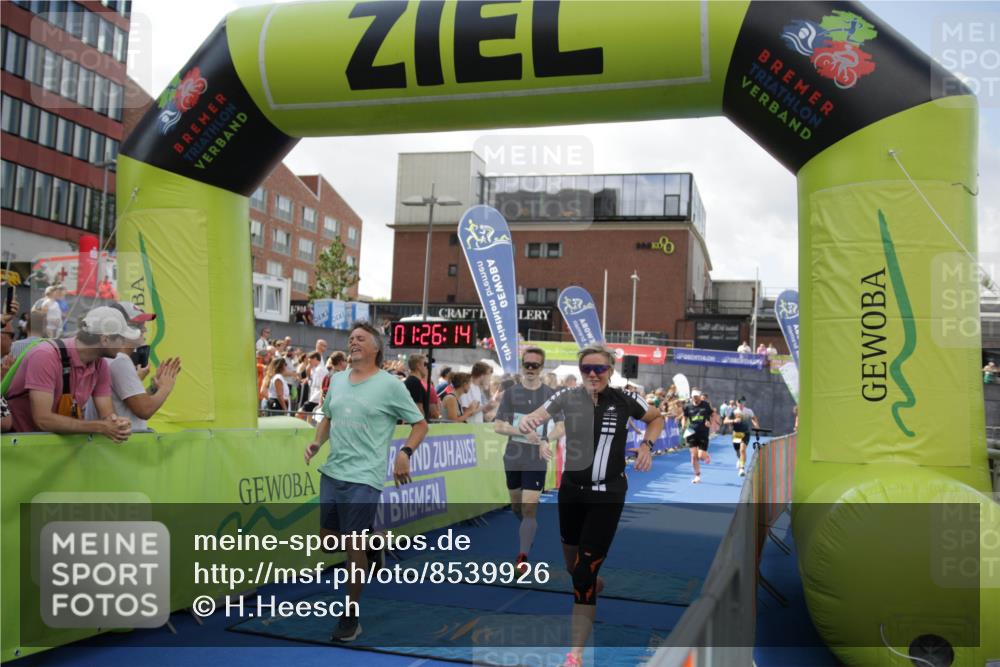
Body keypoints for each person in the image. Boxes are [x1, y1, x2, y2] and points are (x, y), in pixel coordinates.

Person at [518, 345, 662, 667]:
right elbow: (539, 415)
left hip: (608, 495)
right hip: (571, 493)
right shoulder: (566, 397)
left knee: (582, 574)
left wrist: (646, 446)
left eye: (600, 369)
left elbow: (656, 418)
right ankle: (591, 580)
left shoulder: (626, 398)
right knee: (573, 567)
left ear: (611, 370)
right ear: (580, 371)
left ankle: (576, 654)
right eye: (587, 369)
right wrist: (529, 421)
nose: (593, 375)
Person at [304, 321, 428, 642]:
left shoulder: (391, 385)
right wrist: (318, 443)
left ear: (375, 348)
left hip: (365, 477)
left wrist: (405, 453)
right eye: (350, 338)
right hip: (333, 472)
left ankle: (350, 616)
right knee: (327, 541)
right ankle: (377, 543)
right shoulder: (338, 379)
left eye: (360, 338)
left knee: (351, 548)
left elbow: (420, 424)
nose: (353, 341)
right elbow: (328, 416)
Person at [4, 306, 134, 441]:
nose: (124, 343)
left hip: (50, 449)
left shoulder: (100, 364)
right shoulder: (45, 355)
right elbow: (43, 419)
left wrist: (117, 423)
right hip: (18, 448)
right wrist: (101, 427)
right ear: (105, 339)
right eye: (121, 338)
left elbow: (107, 415)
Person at [494, 347, 565, 572]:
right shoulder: (511, 393)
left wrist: (545, 438)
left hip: (536, 459)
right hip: (513, 458)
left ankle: (522, 555)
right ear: (522, 365)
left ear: (542, 367)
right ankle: (528, 530)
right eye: (527, 365)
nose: (531, 369)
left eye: (536, 365)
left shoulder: (550, 396)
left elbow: (562, 427)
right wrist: (522, 432)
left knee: (529, 509)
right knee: (517, 507)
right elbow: (498, 426)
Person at [82, 302, 181, 431]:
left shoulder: (111, 357)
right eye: (138, 325)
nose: (144, 329)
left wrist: (154, 387)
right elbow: (144, 410)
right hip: (119, 448)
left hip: (110, 446)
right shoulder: (119, 360)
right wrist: (165, 387)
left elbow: (128, 404)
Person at [682, 389, 713, 484]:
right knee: (693, 456)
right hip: (691, 433)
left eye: (697, 396)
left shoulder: (705, 405)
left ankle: (706, 455)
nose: (696, 398)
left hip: (703, 433)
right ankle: (697, 476)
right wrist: (683, 425)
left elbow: (712, 415)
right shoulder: (687, 406)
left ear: (700, 396)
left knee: (700, 455)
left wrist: (709, 422)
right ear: (691, 397)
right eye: (694, 396)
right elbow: (684, 417)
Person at [403, 354, 441, 419]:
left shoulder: (412, 381)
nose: (427, 367)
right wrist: (423, 424)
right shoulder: (415, 383)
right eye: (425, 364)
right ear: (418, 366)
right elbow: (419, 408)